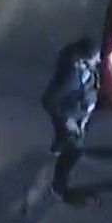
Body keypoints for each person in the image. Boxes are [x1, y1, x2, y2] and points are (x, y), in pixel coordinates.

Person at [40, 37, 102, 200]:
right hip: (70, 115)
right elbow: (49, 100)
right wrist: (69, 122)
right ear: (83, 59)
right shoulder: (71, 78)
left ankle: (58, 146)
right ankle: (59, 185)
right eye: (95, 57)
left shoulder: (77, 61)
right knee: (75, 150)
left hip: (78, 111)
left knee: (61, 135)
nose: (98, 59)